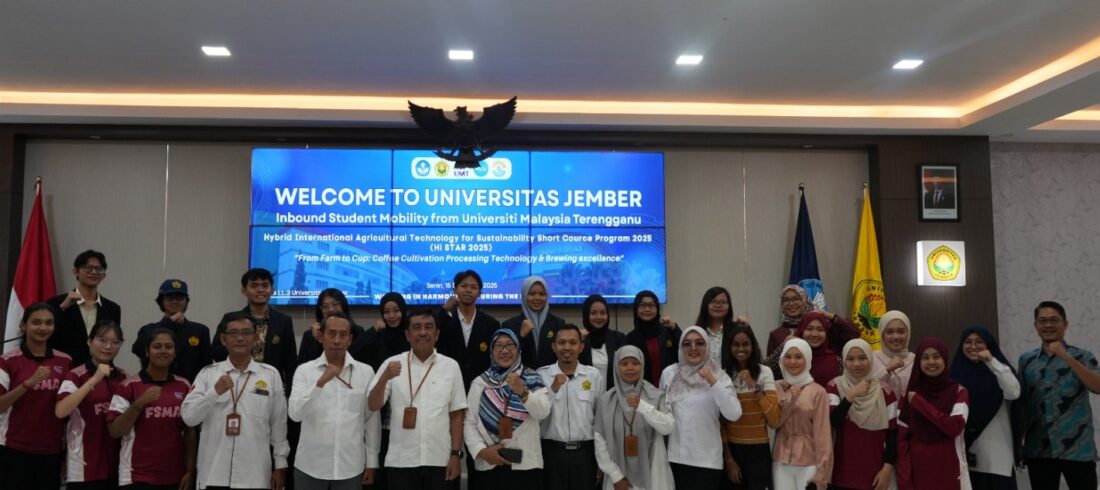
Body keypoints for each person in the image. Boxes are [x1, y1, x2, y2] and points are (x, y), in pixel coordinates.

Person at [181, 312, 290, 490]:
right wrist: (214, 392)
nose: (240, 338)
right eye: (233, 333)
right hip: (213, 474)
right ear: (223, 339)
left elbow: (278, 425)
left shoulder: (270, 375)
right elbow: (189, 417)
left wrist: (280, 465)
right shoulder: (208, 374)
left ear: (256, 338)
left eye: (246, 333)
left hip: (255, 475)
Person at [367, 309, 467, 490]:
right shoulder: (391, 364)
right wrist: (384, 378)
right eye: (416, 327)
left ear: (437, 334)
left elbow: (457, 415)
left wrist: (455, 455)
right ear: (407, 335)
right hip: (401, 460)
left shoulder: (451, 366)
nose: (423, 332)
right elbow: (373, 405)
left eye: (428, 327)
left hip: (440, 459)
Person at [288, 313, 380, 490]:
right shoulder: (305, 371)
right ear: (321, 337)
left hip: (351, 466)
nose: (337, 340)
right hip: (310, 466)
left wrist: (372, 461)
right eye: (331, 334)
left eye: (343, 335)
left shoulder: (365, 372)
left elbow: (371, 420)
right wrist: (320, 383)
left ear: (350, 339)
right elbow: (295, 414)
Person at [1018, 301, 1100, 490]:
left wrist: (1067, 358)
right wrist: (1018, 443)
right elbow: (1022, 404)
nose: (1048, 325)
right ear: (1035, 325)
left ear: (1065, 324)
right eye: (1043, 321)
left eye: (1054, 320)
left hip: (1078, 448)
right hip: (1038, 448)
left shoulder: (1083, 356)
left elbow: (1098, 387)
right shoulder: (1026, 360)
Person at [108, 329, 198, 489]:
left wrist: (190, 469)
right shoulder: (129, 386)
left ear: (175, 353)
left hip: (174, 476)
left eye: (168, 347)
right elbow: (115, 431)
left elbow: (190, 431)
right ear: (147, 351)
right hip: (135, 475)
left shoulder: (184, 385)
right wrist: (139, 403)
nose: (163, 351)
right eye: (157, 346)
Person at [464, 329, 552, 488]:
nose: (504, 351)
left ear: (518, 349)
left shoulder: (532, 377)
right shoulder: (480, 382)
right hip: (489, 464)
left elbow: (543, 412)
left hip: (526, 465)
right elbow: (469, 422)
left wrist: (522, 392)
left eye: (510, 345)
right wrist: (482, 452)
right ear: (491, 352)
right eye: (498, 346)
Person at [660, 326, 742, 490]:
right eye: (687, 344)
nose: (693, 348)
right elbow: (662, 412)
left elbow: (734, 414)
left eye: (699, 343)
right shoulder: (669, 373)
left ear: (707, 346)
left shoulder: (719, 376)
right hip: (675, 457)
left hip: (707, 460)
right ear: (680, 348)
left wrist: (712, 381)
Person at [0, 303, 71, 489]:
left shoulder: (65, 361)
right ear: (24, 325)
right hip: (13, 448)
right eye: (36, 322)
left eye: (49, 323)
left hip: (52, 450)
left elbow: (69, 409)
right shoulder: (7, 361)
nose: (43, 328)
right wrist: (28, 383)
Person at [55, 319, 128, 490]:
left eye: (115, 342)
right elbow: (60, 411)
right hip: (83, 467)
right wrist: (95, 379)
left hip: (118, 466)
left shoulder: (124, 377)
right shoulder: (76, 375)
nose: (108, 346)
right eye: (102, 340)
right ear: (89, 341)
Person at [594, 346, 675, 490]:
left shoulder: (656, 395)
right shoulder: (606, 400)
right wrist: (615, 476)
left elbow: (668, 427)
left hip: (653, 475)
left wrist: (642, 406)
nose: (630, 367)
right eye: (624, 363)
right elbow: (599, 439)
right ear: (616, 367)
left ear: (642, 366)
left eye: (635, 363)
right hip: (618, 478)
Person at [949, 325, 1020, 490]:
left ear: (988, 344)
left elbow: (1014, 392)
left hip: (997, 456)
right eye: (968, 342)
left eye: (979, 341)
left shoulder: (999, 369)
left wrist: (991, 361)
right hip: (964, 455)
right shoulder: (953, 373)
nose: (973, 346)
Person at [897, 338, 969, 490]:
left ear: (945, 359)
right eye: (925, 357)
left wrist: (920, 403)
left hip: (949, 468)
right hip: (918, 471)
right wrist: (905, 480)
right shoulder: (909, 394)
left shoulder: (959, 392)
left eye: (936, 357)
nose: (931, 362)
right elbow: (901, 440)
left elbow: (954, 427)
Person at [536, 324, 602, 490]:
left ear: (581, 347)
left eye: (573, 342)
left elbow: (601, 420)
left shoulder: (593, 376)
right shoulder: (541, 375)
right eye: (561, 342)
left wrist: (601, 459)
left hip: (585, 454)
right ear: (553, 346)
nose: (567, 347)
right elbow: (535, 417)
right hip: (551, 453)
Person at [827, 339, 897, 490]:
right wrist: (850, 396)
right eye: (850, 359)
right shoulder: (834, 386)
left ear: (870, 359)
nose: (857, 364)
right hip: (841, 474)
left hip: (874, 474)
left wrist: (887, 468)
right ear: (844, 361)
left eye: (862, 358)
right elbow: (834, 422)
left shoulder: (885, 391)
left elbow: (893, 434)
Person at [212, 268, 297, 390]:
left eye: (265, 285)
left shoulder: (284, 321)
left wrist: (289, 392)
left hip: (271, 383)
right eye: (254, 286)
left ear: (272, 290)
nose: (260, 290)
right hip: (236, 381)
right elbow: (217, 351)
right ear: (244, 290)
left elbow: (290, 360)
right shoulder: (231, 319)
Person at [720, 325, 778, 490]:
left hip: (758, 452)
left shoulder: (765, 372)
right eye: (736, 344)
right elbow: (721, 424)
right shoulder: (724, 376)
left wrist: (753, 386)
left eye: (745, 344)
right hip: (733, 451)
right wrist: (729, 459)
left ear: (753, 346)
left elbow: (774, 419)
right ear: (729, 347)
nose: (740, 349)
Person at [772, 339, 832, 490]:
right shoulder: (777, 387)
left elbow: (822, 434)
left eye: (798, 357)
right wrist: (790, 400)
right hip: (781, 460)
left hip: (809, 461)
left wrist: (823, 470)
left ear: (807, 359)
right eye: (788, 356)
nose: (792, 361)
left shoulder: (818, 392)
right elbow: (775, 423)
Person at [47, 249, 122, 367]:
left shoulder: (112, 308)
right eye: (88, 267)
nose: (94, 272)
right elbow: (47, 337)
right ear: (76, 272)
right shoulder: (56, 303)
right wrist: (62, 308)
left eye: (99, 269)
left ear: (103, 276)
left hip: (99, 370)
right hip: (64, 369)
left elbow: (112, 342)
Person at [132, 279, 211, 382]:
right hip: (153, 386)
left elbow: (207, 366)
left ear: (186, 301)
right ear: (161, 301)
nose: (175, 301)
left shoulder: (200, 330)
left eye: (180, 298)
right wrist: (169, 323)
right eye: (170, 297)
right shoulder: (148, 329)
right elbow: (138, 349)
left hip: (191, 387)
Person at [436, 270, 501, 390]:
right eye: (464, 286)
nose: (468, 290)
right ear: (455, 290)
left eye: (473, 287)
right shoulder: (444, 322)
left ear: (479, 293)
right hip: (448, 385)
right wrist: (444, 310)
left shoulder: (491, 324)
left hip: (481, 388)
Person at [766, 285, 859, 357]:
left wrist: (828, 315)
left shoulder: (822, 327)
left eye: (796, 298)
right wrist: (783, 347)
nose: (791, 303)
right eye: (786, 300)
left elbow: (854, 333)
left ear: (805, 300)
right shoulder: (776, 334)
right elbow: (770, 367)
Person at [297, 288, 378, 366]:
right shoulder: (310, 335)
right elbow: (303, 367)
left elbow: (359, 361)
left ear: (343, 306)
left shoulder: (357, 331)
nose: (331, 309)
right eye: (325, 306)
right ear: (320, 310)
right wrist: (318, 339)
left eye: (335, 304)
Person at [502, 276, 566, 369]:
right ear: (524, 296)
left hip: (551, 377)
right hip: (520, 377)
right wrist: (521, 336)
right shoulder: (509, 325)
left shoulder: (558, 324)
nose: (537, 298)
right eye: (532, 294)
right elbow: (505, 357)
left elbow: (563, 354)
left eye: (542, 294)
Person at [624, 291, 680, 385]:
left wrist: (674, 328)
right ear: (636, 309)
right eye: (642, 305)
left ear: (657, 308)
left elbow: (683, 350)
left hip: (670, 386)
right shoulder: (629, 339)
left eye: (651, 305)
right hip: (642, 389)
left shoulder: (668, 332)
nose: (647, 309)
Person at [694, 286, 751, 370]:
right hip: (702, 376)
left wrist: (747, 328)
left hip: (731, 376)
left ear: (729, 306)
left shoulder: (736, 329)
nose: (718, 305)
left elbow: (751, 353)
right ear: (706, 304)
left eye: (723, 302)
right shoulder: (697, 331)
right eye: (714, 301)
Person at [581, 294, 625, 390]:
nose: (599, 317)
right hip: (584, 394)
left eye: (603, 313)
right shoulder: (580, 340)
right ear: (586, 315)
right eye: (593, 313)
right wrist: (577, 339)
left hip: (612, 395)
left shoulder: (618, 338)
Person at [871, 310, 916, 398]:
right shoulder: (870, 359)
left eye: (901, 331)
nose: (895, 337)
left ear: (908, 333)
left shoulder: (916, 361)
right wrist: (886, 369)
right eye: (889, 332)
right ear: (882, 334)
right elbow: (865, 391)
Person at [793, 311, 842, 385]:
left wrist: (830, 315)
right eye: (809, 329)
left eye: (820, 329)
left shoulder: (837, 361)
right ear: (801, 331)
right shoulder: (789, 356)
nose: (814, 334)